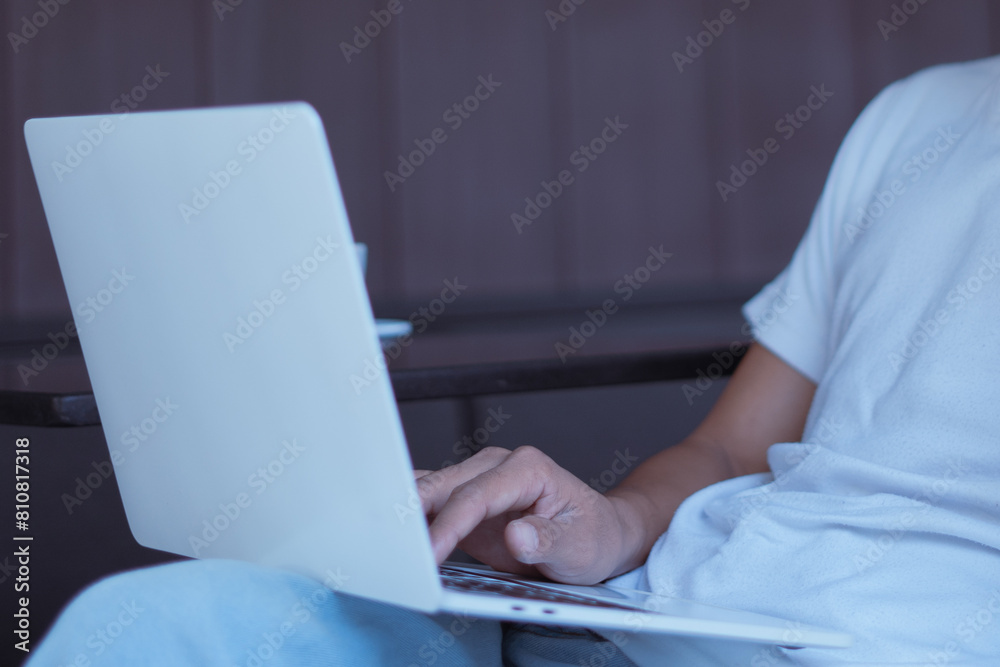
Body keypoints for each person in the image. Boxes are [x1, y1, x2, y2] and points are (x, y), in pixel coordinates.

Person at [27, 55, 1000, 666]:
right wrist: (607, 526)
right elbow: (728, 453)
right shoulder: (917, 119)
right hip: (637, 613)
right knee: (164, 625)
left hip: (856, 645)